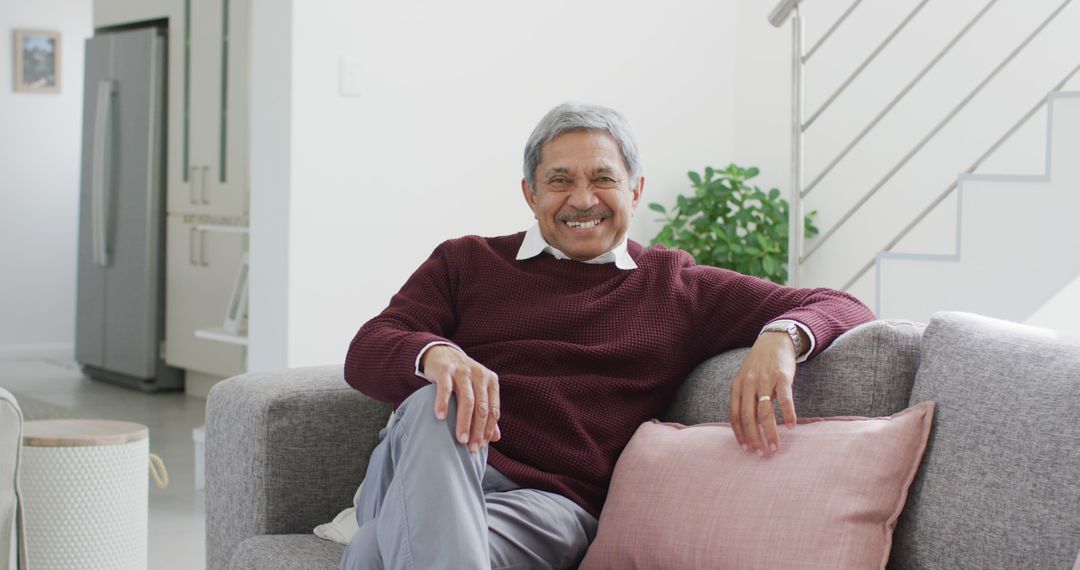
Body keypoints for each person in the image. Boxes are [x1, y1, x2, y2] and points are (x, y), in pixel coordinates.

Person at [340, 102, 874, 570]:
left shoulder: (675, 286)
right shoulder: (467, 261)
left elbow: (844, 305)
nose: (582, 198)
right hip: (422, 465)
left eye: (602, 178)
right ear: (530, 194)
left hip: (545, 506)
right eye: (559, 180)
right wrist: (437, 355)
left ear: (635, 190)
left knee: (373, 554)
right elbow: (367, 349)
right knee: (445, 397)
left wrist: (782, 336)